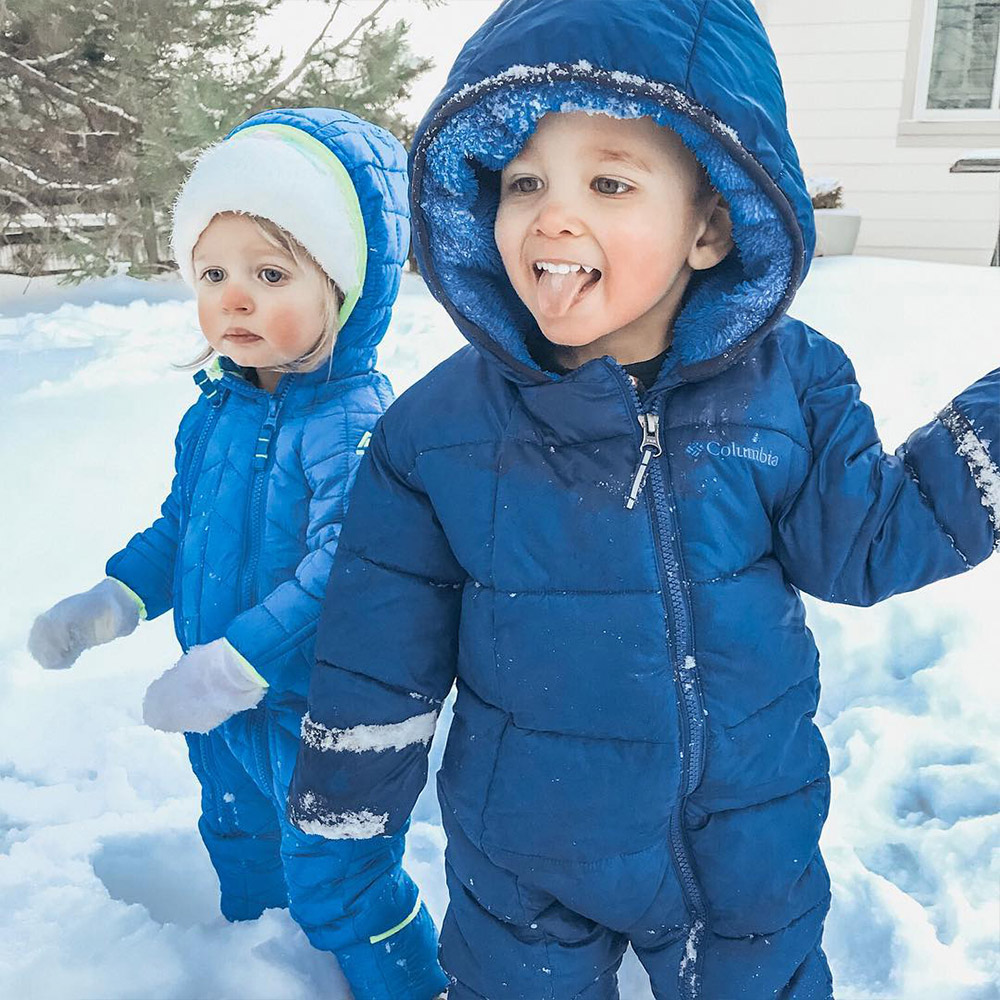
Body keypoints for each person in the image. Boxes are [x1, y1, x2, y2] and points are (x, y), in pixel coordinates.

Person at [288, 2, 1000, 998]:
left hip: (744, 849)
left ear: (710, 226)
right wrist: (342, 817)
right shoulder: (435, 432)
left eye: (608, 180)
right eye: (523, 180)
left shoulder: (789, 383)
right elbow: (378, 650)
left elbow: (871, 541)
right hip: (523, 852)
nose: (552, 214)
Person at [27, 108, 447, 1000]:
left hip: (330, 724)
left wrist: (235, 664)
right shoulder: (213, 413)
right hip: (224, 719)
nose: (236, 297)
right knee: (247, 859)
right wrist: (115, 598)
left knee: (343, 884)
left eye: (269, 271)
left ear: (344, 288)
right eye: (213, 272)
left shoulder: (358, 424)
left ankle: (418, 989)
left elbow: (346, 572)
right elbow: (181, 528)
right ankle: (268, 981)